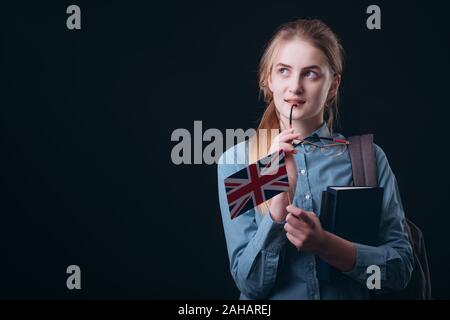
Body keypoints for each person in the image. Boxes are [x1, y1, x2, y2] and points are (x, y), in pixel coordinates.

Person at [217, 18, 413, 300]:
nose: (295, 87)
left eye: (310, 74)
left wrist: (325, 245)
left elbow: (401, 270)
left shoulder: (367, 158)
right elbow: (250, 286)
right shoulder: (240, 161)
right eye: (284, 71)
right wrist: (277, 197)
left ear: (333, 85)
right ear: (268, 79)